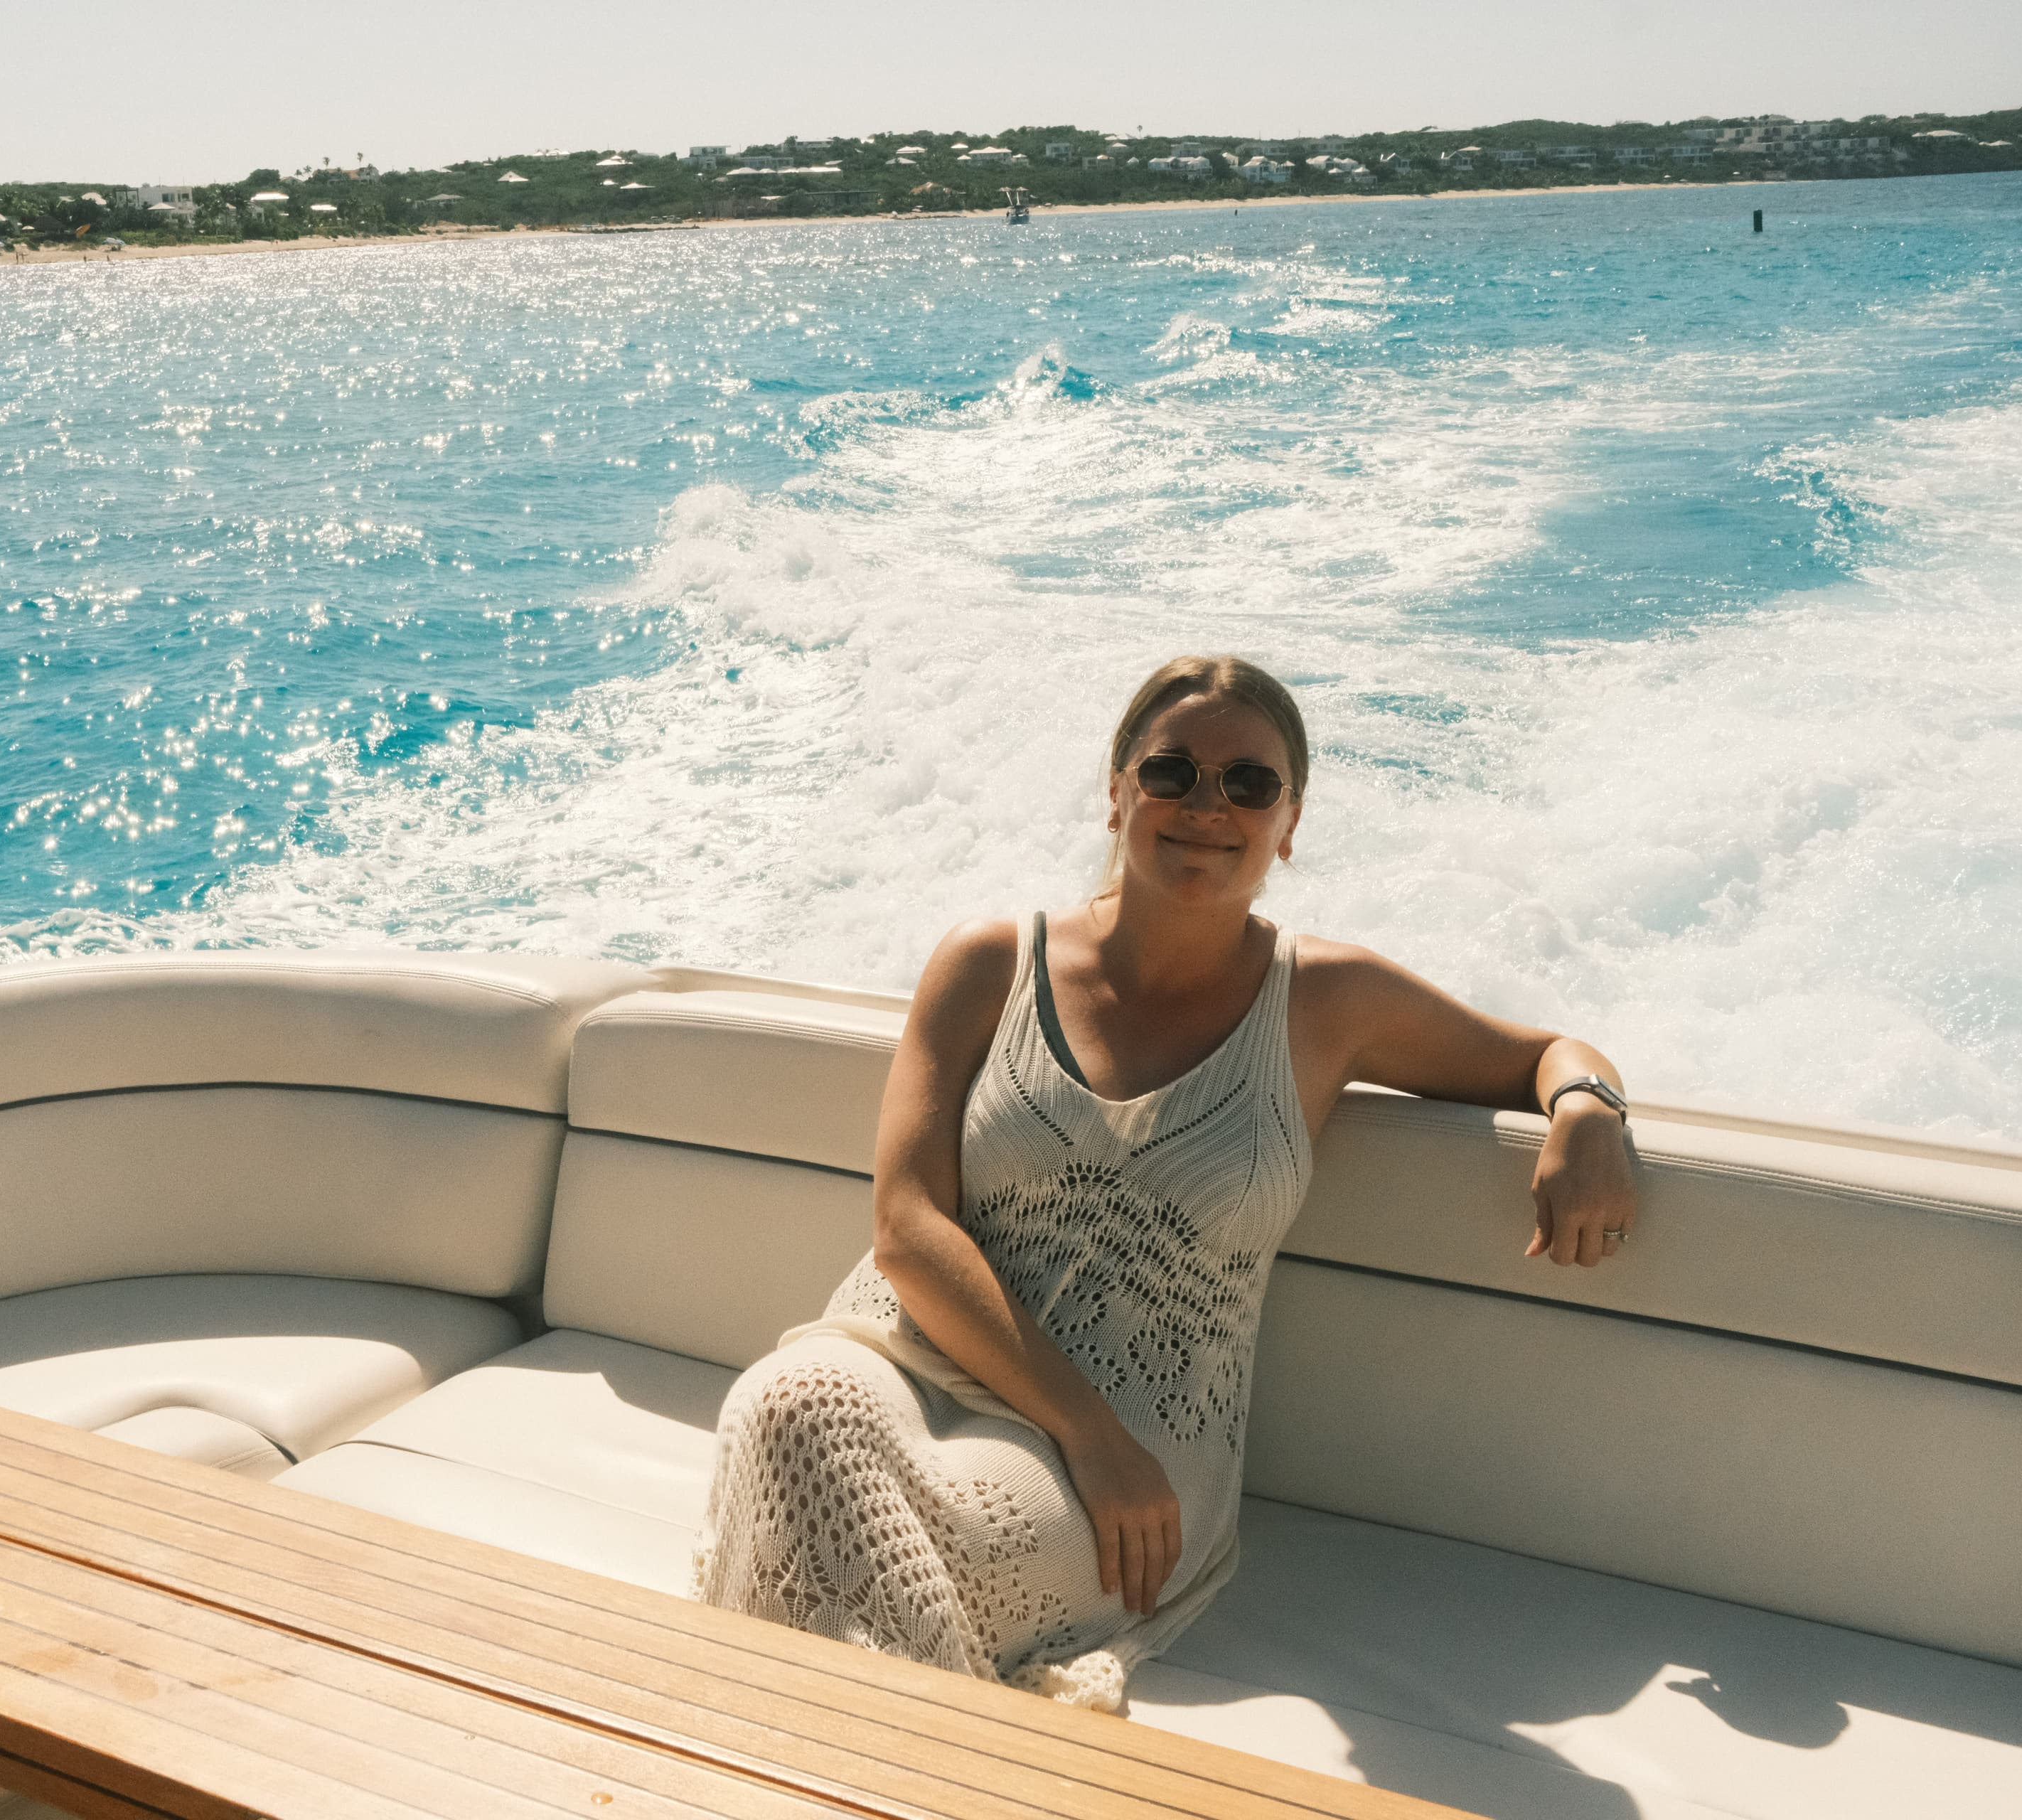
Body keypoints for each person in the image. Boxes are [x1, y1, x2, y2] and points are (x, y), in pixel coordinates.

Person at [693, 653, 1638, 1712]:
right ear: (1116, 790)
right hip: (911, 1355)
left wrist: (1588, 1108)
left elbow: (1545, 1050)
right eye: (1172, 772)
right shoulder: (988, 962)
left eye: (1249, 784)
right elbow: (908, 1230)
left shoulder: (1330, 1000)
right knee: (785, 1405)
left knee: (925, 1537)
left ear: (1289, 823)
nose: (1206, 806)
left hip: (1149, 1455)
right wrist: (1087, 1429)